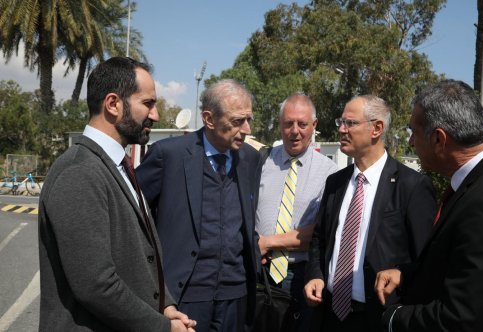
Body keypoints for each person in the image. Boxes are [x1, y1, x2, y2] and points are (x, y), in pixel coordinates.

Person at [38, 57, 196, 332]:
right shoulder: (79, 173)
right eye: (148, 103)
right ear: (113, 104)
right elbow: (95, 285)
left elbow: (137, 256)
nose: (156, 115)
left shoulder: (118, 166)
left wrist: (166, 306)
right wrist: (163, 328)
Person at [376, 80, 483, 332]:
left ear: (438, 139)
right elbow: (461, 264)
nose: (411, 142)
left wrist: (393, 318)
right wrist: (408, 275)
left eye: (413, 132)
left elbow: (460, 317)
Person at [136, 79, 260, 332]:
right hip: (185, 295)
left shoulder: (250, 158)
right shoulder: (168, 155)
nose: (246, 129)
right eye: (237, 121)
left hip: (235, 296)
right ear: (209, 119)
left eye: (248, 119)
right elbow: (131, 217)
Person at [303, 95, 436, 331]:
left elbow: (426, 260)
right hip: (330, 313)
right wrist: (316, 275)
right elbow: (320, 239)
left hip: (381, 318)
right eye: (340, 122)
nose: (342, 129)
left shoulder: (411, 186)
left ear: (377, 128)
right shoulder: (336, 182)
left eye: (350, 123)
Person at [256, 93, 338, 331]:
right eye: (288, 123)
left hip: (300, 278)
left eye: (302, 124)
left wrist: (267, 242)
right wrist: (254, 245)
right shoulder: (261, 162)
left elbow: (320, 231)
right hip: (260, 273)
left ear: (314, 126)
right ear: (279, 125)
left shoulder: (330, 173)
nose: (295, 131)